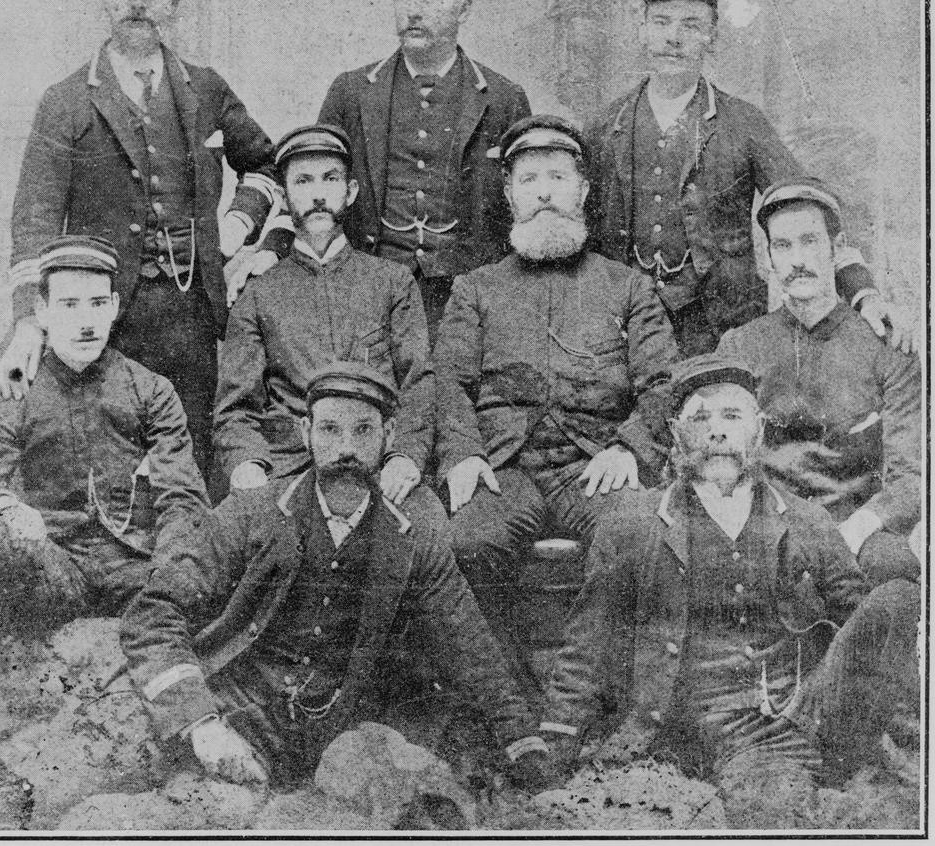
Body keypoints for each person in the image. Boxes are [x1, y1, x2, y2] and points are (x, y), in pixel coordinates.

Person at [121, 362, 551, 791]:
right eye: (330, 430)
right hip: (236, 713)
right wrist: (200, 723)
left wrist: (523, 743)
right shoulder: (253, 513)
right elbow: (156, 611)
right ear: (305, 431)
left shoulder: (413, 538)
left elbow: (470, 645)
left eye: (363, 431)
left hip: (340, 734)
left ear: (389, 435)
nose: (346, 449)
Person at [539, 355, 919, 826]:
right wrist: (555, 738)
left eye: (732, 416)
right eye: (700, 418)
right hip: (676, 723)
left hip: (771, 729)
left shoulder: (805, 520)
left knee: (894, 597)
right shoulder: (631, 524)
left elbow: (859, 628)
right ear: (677, 435)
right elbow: (587, 644)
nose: (716, 431)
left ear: (758, 432)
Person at [0, 0, 288, 492]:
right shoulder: (66, 100)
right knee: (108, 465)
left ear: (175, 4)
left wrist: (237, 227)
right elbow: (34, 215)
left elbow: (266, 166)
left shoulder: (204, 89)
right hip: (103, 316)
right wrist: (28, 321)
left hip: (190, 315)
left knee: (189, 461)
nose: (138, 0)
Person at [434, 114, 677, 691]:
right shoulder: (477, 288)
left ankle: (589, 693)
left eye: (558, 177)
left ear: (584, 191)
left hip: (592, 466)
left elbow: (665, 381)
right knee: (466, 541)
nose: (544, 191)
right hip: (503, 468)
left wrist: (630, 447)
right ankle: (504, 697)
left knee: (638, 536)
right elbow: (445, 381)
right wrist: (464, 455)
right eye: (528, 179)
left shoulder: (627, 287)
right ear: (509, 195)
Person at [584, 0, 912, 357]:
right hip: (625, 328)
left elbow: (810, 205)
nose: (672, 38)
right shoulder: (606, 126)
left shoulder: (743, 122)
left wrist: (864, 294)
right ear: (642, 31)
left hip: (721, 328)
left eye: (691, 25)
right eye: (661, 23)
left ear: (712, 38)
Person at [0, 235, 209, 635]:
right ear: (42, 310)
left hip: (136, 568)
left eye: (96, 303)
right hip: (52, 565)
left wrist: (167, 572)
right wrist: (4, 506)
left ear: (114, 307)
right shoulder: (18, 392)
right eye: (69, 305)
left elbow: (182, 498)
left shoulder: (151, 390)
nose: (86, 323)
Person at [317, 0, 531, 326]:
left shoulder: (503, 98)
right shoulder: (351, 91)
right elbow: (314, 185)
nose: (413, 11)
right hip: (366, 294)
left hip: (468, 302)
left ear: (463, 9)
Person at [717, 179, 922, 586]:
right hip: (766, 529)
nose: (797, 260)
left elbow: (912, 477)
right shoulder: (740, 346)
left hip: (854, 526)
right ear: (769, 258)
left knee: (897, 572)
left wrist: (857, 529)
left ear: (836, 247)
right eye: (783, 246)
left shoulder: (887, 347)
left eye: (810, 241)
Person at [214, 125, 433, 503]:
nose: (317, 195)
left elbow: (418, 384)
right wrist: (247, 462)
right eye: (303, 181)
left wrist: (405, 457)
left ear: (350, 192)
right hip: (285, 471)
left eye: (330, 179)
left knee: (427, 533)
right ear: (283, 197)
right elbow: (236, 409)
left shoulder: (392, 282)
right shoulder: (259, 292)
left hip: (376, 470)